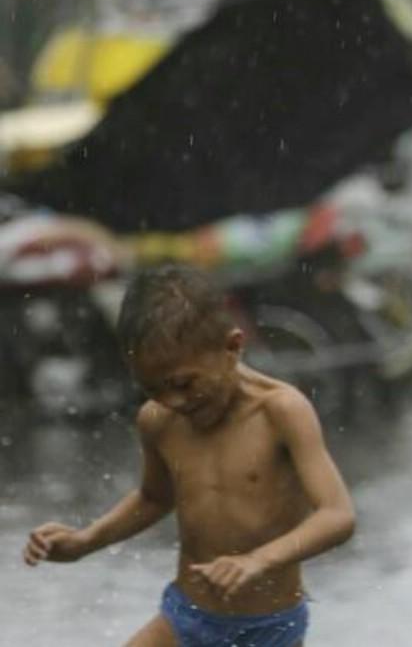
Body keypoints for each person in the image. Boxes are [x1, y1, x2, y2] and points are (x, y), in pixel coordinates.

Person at [23, 264, 356, 646]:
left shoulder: (281, 412)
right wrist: (86, 541)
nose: (172, 401)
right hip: (187, 615)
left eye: (183, 383)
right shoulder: (158, 420)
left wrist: (258, 560)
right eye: (152, 388)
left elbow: (337, 515)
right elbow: (154, 497)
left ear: (233, 346)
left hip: (270, 627)